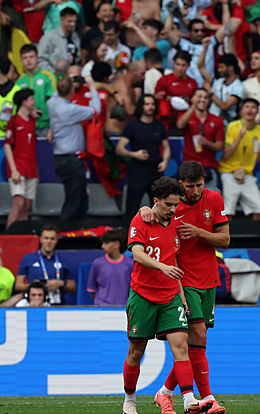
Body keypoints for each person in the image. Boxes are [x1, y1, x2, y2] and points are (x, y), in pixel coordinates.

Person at [141, 162, 230, 414]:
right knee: (197, 335)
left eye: (198, 185)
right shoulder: (173, 206)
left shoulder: (214, 199)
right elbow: (152, 216)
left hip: (209, 279)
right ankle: (207, 397)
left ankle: (165, 392)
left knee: (196, 342)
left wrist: (200, 232)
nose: (194, 191)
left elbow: (225, 240)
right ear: (181, 184)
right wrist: (145, 208)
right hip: (185, 278)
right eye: (189, 186)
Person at [122, 176, 215, 414]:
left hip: (171, 296)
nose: (173, 210)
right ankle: (130, 399)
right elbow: (137, 255)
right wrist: (162, 267)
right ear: (156, 201)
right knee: (136, 352)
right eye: (168, 205)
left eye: (176, 205)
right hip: (142, 294)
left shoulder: (175, 225)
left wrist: (181, 294)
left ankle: (188, 398)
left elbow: (173, 259)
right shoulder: (141, 220)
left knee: (181, 347)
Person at [47, 76, 101, 221]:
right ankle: (62, 235)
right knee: (74, 202)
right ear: (72, 90)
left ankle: (78, 234)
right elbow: (96, 110)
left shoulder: (52, 103)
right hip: (70, 160)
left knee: (81, 201)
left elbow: (55, 93)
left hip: (62, 159)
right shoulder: (69, 109)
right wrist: (92, 87)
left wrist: (67, 80)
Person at [117, 95, 171, 225]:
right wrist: (134, 154)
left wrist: (165, 162)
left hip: (155, 170)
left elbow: (166, 147)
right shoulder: (132, 126)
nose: (150, 107)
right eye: (146, 104)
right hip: (138, 169)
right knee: (132, 206)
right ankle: (127, 237)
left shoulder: (159, 126)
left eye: (152, 104)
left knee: (161, 207)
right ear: (141, 106)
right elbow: (119, 149)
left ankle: (160, 236)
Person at [220, 98, 260, 220]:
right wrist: (240, 136)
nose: (250, 110)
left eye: (253, 107)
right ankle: (226, 238)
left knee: (259, 209)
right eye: (247, 107)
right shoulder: (232, 126)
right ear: (241, 110)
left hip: (247, 174)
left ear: (257, 111)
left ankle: (256, 238)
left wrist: (259, 154)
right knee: (228, 211)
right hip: (229, 172)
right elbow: (226, 154)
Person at [176, 88, 226, 192]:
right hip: (189, 165)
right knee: (186, 202)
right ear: (193, 98)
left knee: (212, 202)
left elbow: (219, 147)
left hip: (209, 166)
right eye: (199, 96)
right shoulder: (187, 116)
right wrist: (192, 106)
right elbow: (180, 125)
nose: (202, 100)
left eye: (205, 97)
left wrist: (206, 142)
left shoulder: (217, 120)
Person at [16, 224, 76, 306]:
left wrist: (61, 283)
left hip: (58, 305)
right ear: (41, 240)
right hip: (36, 305)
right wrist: (35, 286)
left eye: (52, 239)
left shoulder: (64, 260)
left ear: (57, 240)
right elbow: (18, 286)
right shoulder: (28, 259)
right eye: (46, 238)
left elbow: (73, 288)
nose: (49, 241)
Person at [3, 89, 38, 229]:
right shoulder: (13, 121)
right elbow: (7, 146)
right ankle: (8, 236)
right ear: (24, 102)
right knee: (19, 203)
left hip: (31, 169)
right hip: (18, 168)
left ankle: (22, 235)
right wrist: (13, 170)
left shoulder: (32, 121)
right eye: (31, 99)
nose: (33, 101)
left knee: (27, 206)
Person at [16, 44, 57, 137]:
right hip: (26, 126)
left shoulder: (48, 77)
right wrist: (30, 110)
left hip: (46, 126)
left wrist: (53, 126)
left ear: (37, 58)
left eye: (31, 57)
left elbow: (55, 102)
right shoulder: (19, 82)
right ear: (21, 60)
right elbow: (18, 105)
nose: (28, 60)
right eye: (25, 58)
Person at [87, 229, 133, 306]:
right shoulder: (97, 263)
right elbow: (92, 289)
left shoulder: (130, 264)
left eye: (106, 243)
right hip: (101, 308)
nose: (103, 246)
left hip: (123, 308)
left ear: (116, 244)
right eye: (102, 243)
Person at [37, 7, 81, 74]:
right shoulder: (49, 37)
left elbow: (78, 58)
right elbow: (40, 59)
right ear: (62, 19)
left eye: (75, 21)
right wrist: (54, 74)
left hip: (72, 76)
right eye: (70, 21)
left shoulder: (75, 36)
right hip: (54, 76)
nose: (73, 24)